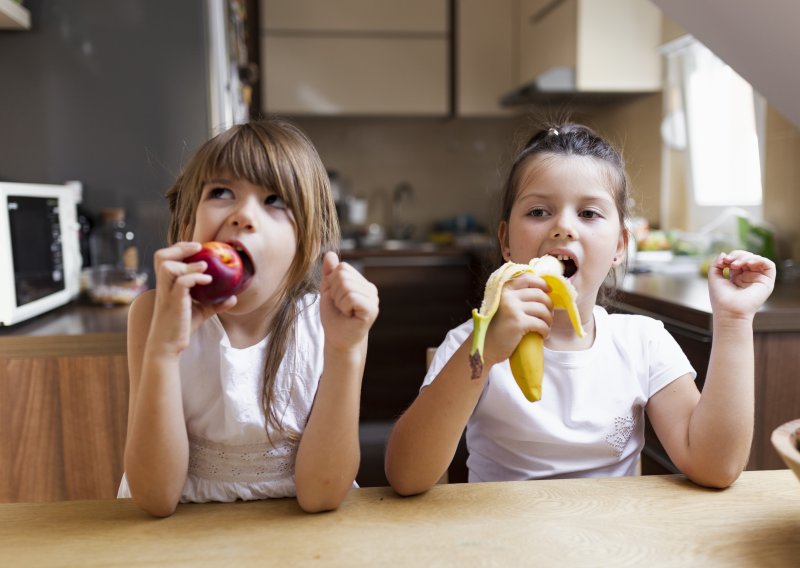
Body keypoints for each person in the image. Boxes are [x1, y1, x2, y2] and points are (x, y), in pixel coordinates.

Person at [385, 123, 776, 495]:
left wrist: (734, 320)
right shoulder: (470, 344)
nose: (563, 227)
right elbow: (406, 476)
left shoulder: (643, 343)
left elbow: (715, 467)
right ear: (506, 241)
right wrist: (483, 353)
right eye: (539, 212)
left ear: (620, 245)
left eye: (588, 213)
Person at [119, 119, 379, 517]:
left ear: (306, 243)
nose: (243, 215)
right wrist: (164, 351)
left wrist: (347, 351)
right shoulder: (154, 315)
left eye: (275, 200)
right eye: (221, 192)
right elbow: (155, 499)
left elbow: (321, 497)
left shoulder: (325, 325)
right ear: (188, 225)